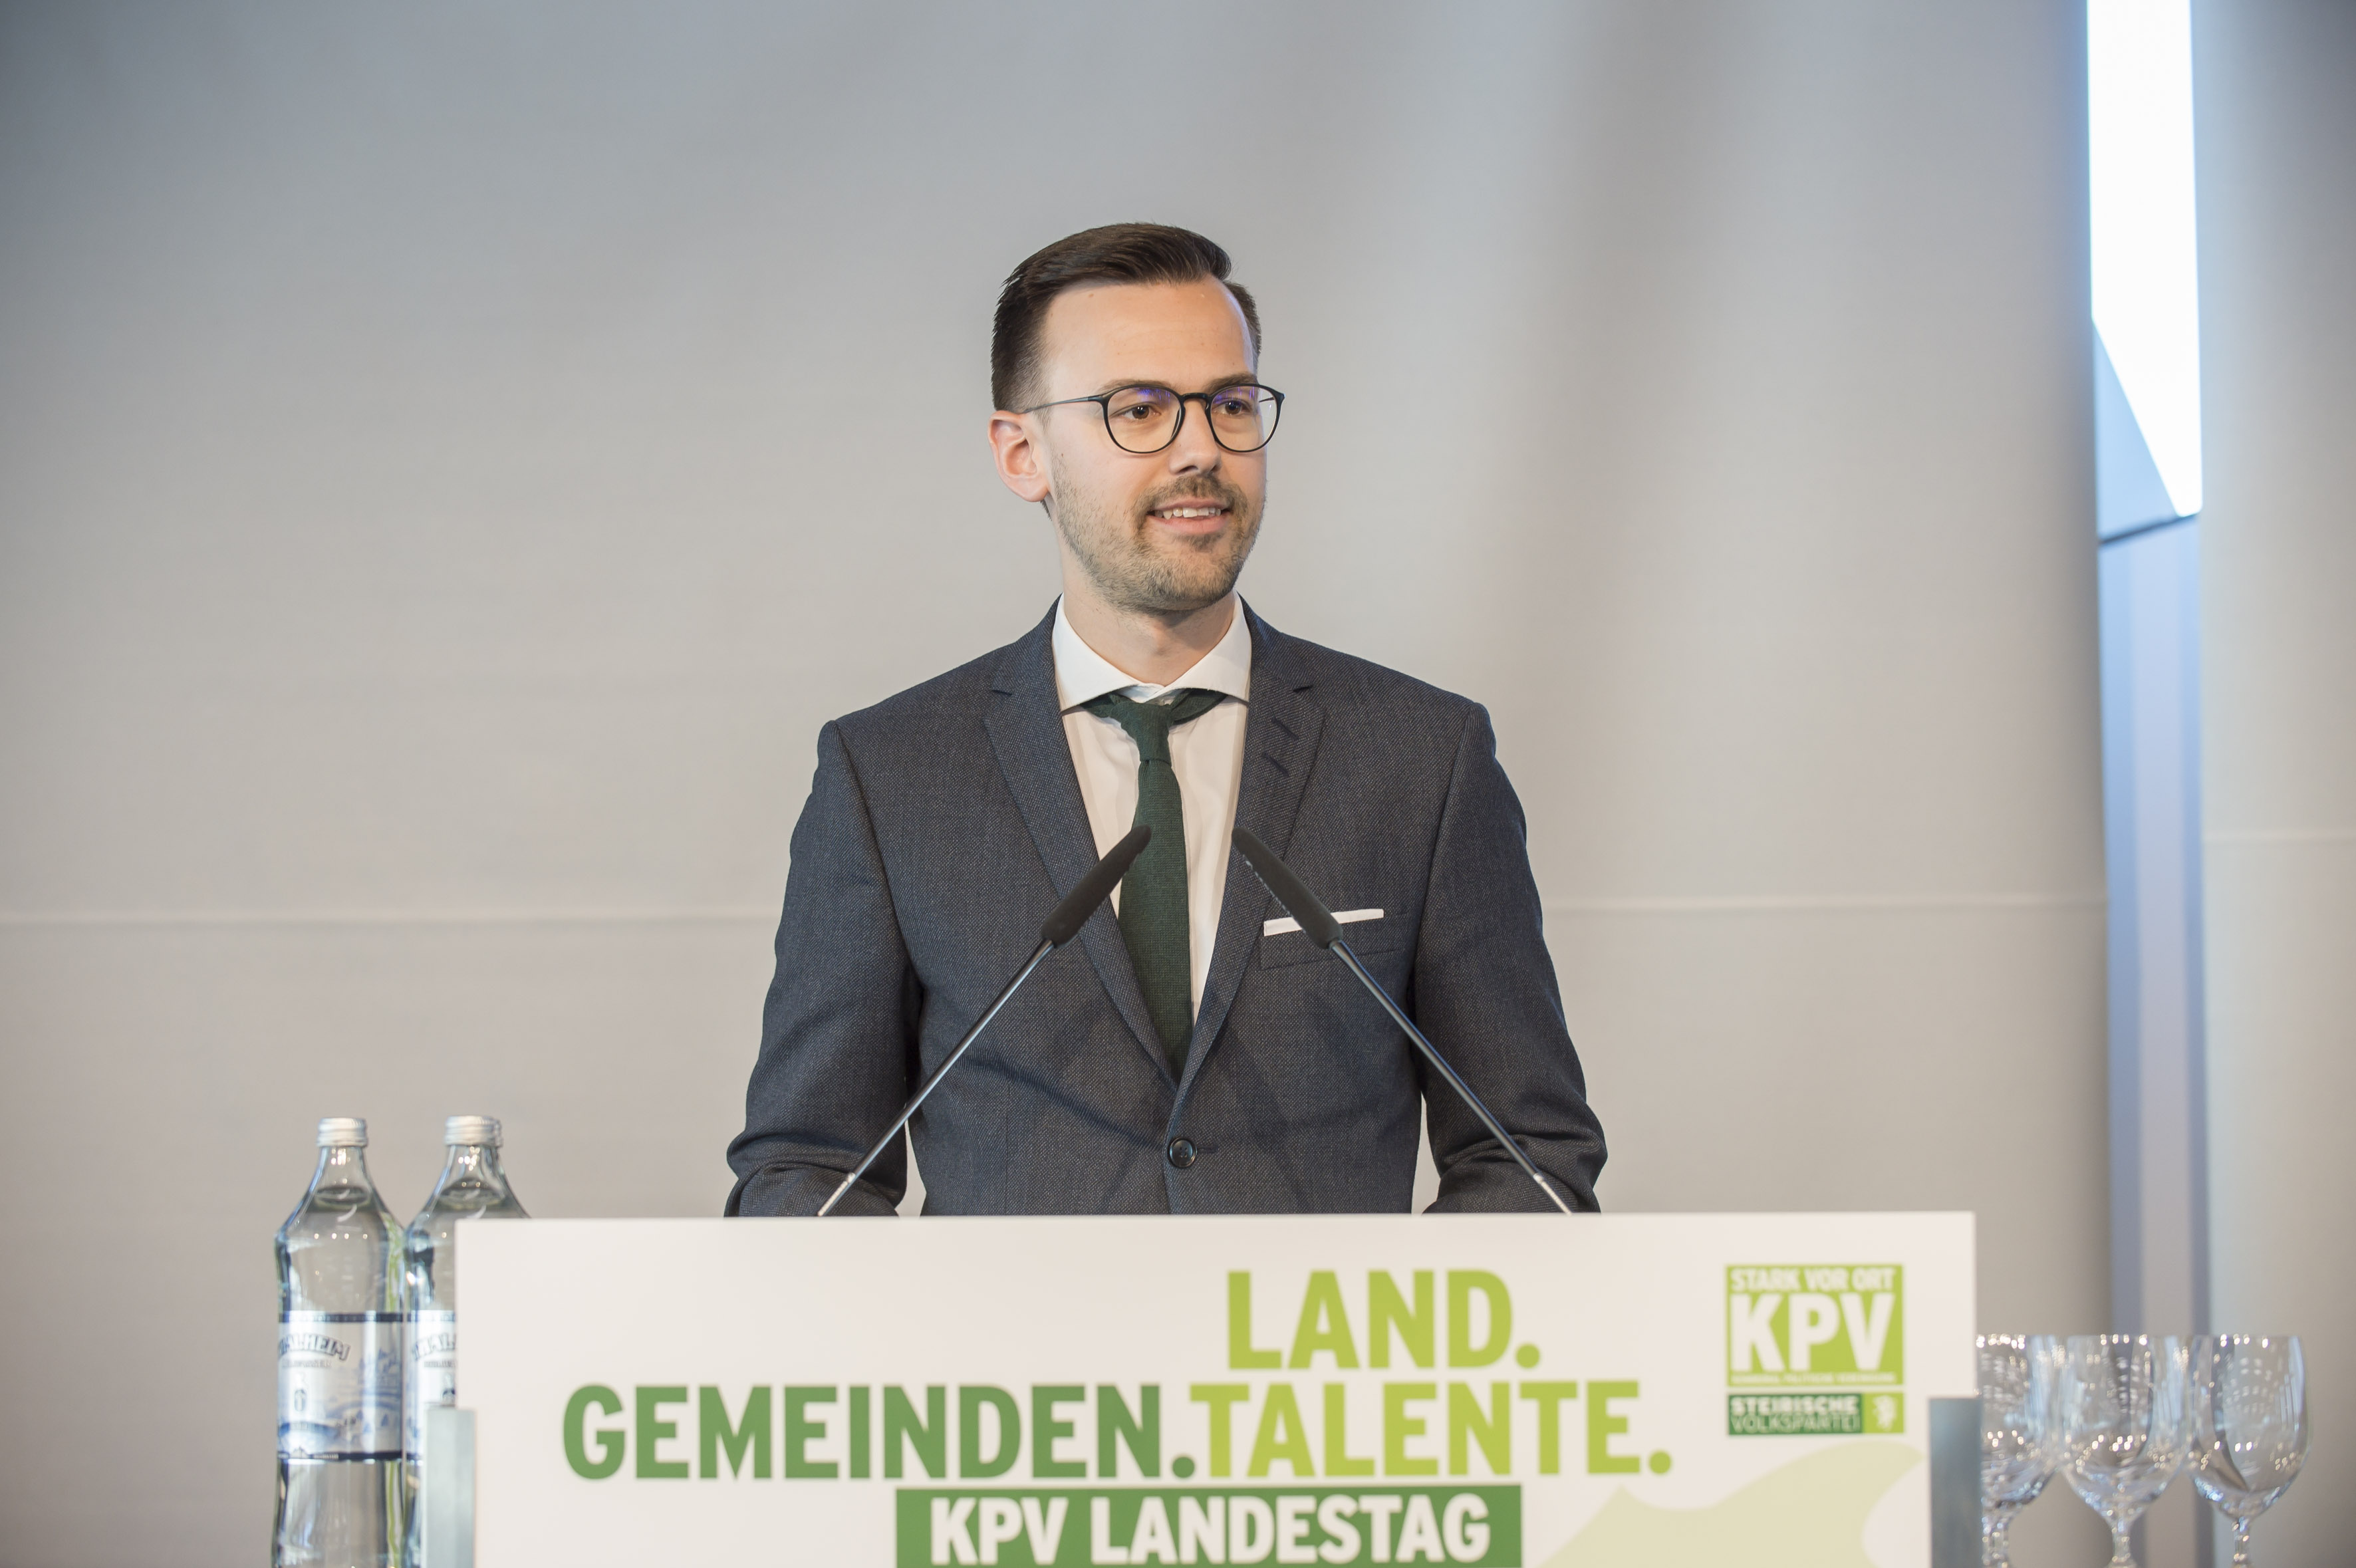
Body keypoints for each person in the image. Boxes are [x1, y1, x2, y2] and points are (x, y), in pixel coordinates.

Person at [726, 223, 1605, 1215]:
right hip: (1021, 1325)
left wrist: (1394, 1316)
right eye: (1138, 409)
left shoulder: (1421, 758)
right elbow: (805, 1168)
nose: (1201, 450)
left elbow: (1528, 1154)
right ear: (1023, 452)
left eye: (1231, 404)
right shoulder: (891, 776)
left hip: (1309, 1324)